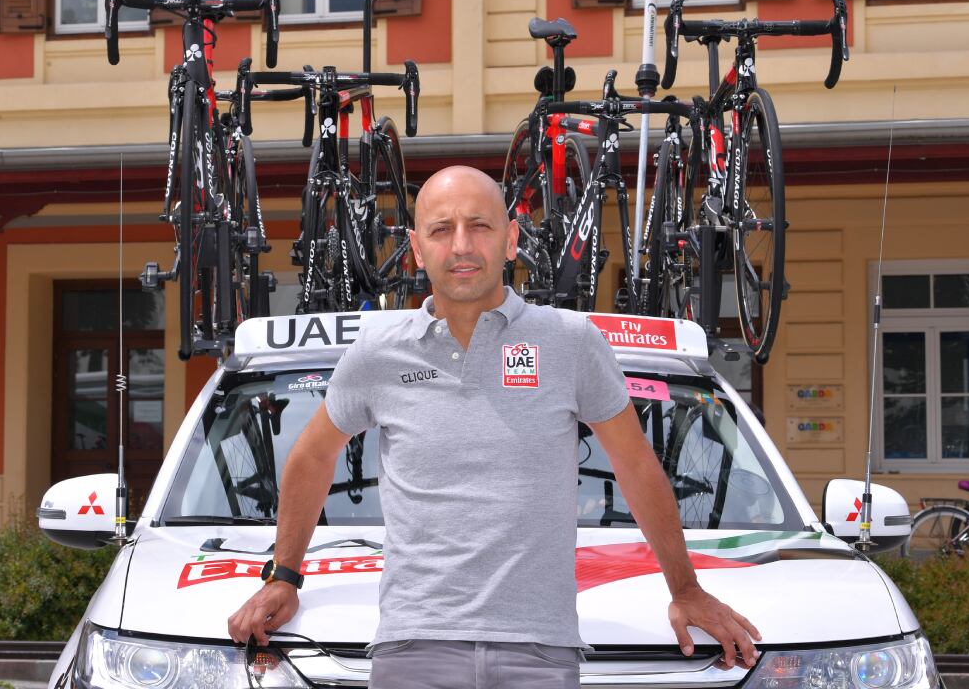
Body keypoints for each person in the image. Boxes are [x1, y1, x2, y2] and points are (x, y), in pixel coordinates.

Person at [228, 166, 760, 687]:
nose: (461, 245)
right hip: (415, 647)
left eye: (479, 226)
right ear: (417, 248)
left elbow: (637, 468)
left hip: (540, 650)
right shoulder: (376, 353)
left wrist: (686, 589)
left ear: (511, 241)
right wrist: (284, 576)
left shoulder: (571, 343)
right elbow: (312, 456)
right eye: (441, 229)